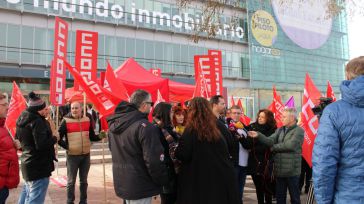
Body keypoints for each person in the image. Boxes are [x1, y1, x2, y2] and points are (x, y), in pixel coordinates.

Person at [312, 56, 364, 203]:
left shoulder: (333, 112)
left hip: (349, 197)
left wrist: (324, 201)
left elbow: (324, 163)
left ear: (347, 76)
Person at [107, 90, 168, 204]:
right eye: (151, 104)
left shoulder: (115, 124)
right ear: (144, 105)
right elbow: (154, 161)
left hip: (124, 183)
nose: (151, 108)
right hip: (141, 185)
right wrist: (162, 181)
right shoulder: (146, 127)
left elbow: (113, 150)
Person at [175, 97, 240, 204]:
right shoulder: (217, 126)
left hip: (198, 182)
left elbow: (183, 154)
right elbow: (230, 143)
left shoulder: (191, 129)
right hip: (220, 179)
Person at [248, 107, 304, 204]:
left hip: (292, 171)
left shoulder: (299, 130)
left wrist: (273, 148)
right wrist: (258, 135)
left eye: (284, 117)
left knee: (294, 197)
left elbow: (290, 145)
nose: (281, 118)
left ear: (292, 118)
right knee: (280, 197)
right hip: (279, 170)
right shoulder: (280, 130)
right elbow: (270, 140)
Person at [16, 92, 58, 204]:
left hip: (28, 164)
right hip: (39, 167)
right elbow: (42, 145)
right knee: (34, 200)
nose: (47, 110)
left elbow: (19, 142)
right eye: (44, 109)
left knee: (26, 197)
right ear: (37, 110)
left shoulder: (22, 118)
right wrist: (55, 138)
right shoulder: (37, 121)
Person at [58, 101, 101, 204]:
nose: (74, 110)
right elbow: (58, 138)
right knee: (71, 182)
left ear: (81, 109)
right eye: (72, 108)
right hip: (72, 156)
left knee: (84, 181)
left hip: (86, 155)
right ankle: (70, 201)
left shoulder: (87, 119)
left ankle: (83, 201)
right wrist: (68, 147)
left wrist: (101, 136)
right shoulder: (65, 121)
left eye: (76, 108)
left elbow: (92, 136)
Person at [246, 109, 277, 204]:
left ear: (268, 118)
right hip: (254, 162)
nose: (260, 118)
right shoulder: (252, 127)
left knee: (267, 187)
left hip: (267, 162)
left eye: (263, 117)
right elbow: (247, 144)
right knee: (258, 187)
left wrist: (256, 147)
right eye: (259, 116)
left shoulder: (273, 129)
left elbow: (269, 145)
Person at [152, 102, 178, 204]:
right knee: (168, 200)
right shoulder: (157, 130)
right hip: (167, 173)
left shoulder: (168, 128)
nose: (173, 114)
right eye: (171, 112)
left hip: (171, 171)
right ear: (165, 113)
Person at [227, 105, 250, 204]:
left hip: (244, 163)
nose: (236, 115)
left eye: (238, 113)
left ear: (241, 114)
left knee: (240, 189)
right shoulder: (227, 127)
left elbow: (248, 144)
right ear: (230, 113)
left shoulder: (244, 127)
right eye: (234, 113)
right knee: (233, 189)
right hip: (234, 163)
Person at [0, 92, 20, 204]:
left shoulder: (3, 127)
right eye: (3, 105)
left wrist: (14, 147)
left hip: (4, 186)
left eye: (7, 104)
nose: (7, 107)